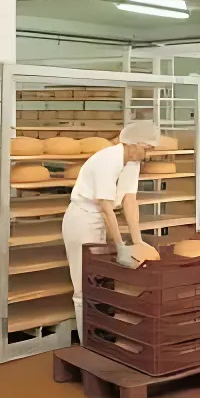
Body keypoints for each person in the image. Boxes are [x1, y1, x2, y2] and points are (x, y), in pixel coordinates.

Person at [62, 120, 159, 339]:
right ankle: (86, 341)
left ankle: (100, 336)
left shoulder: (132, 162)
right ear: (133, 144)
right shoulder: (107, 160)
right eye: (146, 149)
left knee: (98, 279)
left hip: (100, 218)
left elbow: (129, 200)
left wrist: (137, 240)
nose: (147, 155)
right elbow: (106, 208)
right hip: (82, 219)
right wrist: (120, 246)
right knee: (83, 284)